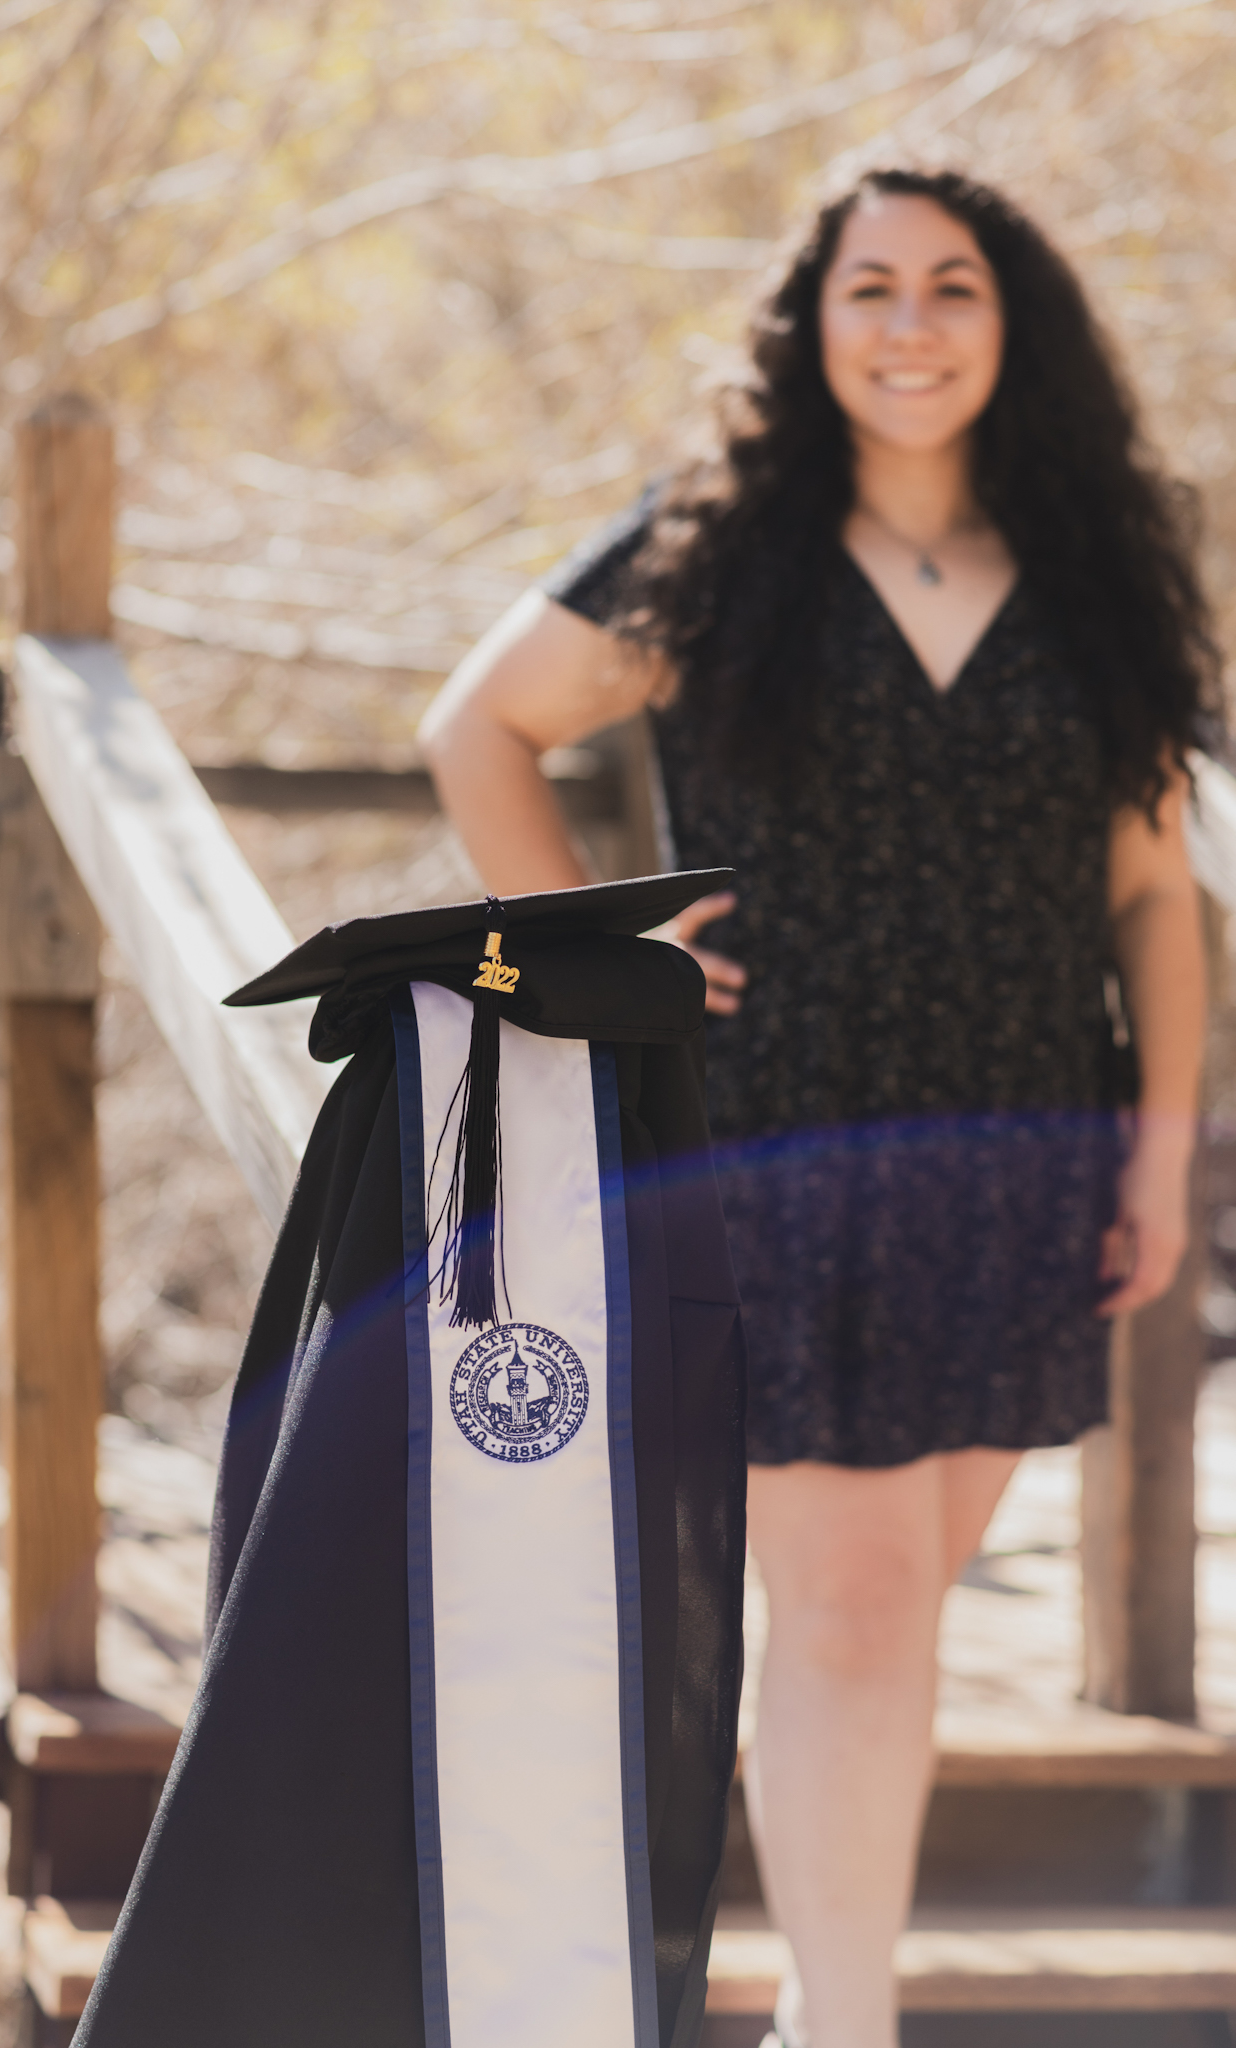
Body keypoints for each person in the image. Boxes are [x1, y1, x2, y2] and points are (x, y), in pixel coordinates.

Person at [419, 168, 1214, 2048]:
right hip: (773, 1136)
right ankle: (846, 2029)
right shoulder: (717, 551)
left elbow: (1151, 889)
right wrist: (600, 946)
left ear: (1010, 326)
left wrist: (1162, 1144)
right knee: (855, 1607)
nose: (912, 325)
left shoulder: (1097, 571)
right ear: (813, 322)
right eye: (871, 290)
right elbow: (480, 726)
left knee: (885, 1609)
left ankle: (810, 2014)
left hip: (1023, 1151)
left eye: (953, 288)